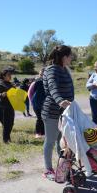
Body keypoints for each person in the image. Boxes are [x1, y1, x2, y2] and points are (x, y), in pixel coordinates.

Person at [41, 45, 74, 180]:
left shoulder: (64, 69)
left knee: (61, 141)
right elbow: (53, 87)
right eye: (70, 55)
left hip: (64, 112)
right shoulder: (51, 70)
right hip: (52, 112)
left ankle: (61, 166)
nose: (72, 58)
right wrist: (60, 100)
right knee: (50, 140)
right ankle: (48, 170)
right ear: (64, 57)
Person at [0, 68, 15, 143]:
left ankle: (7, 138)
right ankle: (6, 140)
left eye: (10, 75)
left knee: (11, 123)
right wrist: (2, 94)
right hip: (1, 108)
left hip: (10, 107)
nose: (10, 76)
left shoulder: (11, 84)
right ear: (3, 76)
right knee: (6, 125)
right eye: (8, 75)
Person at [28, 68, 46, 138]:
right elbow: (30, 93)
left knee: (44, 118)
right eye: (41, 74)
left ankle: (44, 133)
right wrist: (32, 102)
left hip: (45, 104)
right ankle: (38, 133)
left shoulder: (48, 82)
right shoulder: (35, 82)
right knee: (39, 118)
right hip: (37, 103)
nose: (42, 76)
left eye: (44, 74)